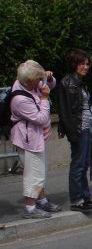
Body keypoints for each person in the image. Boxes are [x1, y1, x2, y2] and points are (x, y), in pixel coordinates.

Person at [9, 60, 62, 219]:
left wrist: (49, 79)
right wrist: (45, 99)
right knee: (33, 174)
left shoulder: (26, 83)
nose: (40, 82)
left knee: (40, 172)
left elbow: (48, 86)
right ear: (29, 81)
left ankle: (42, 199)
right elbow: (40, 118)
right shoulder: (19, 99)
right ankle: (30, 208)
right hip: (28, 140)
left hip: (36, 137)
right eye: (37, 80)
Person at [58, 49, 92, 213]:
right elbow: (65, 109)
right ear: (74, 64)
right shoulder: (67, 82)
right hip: (78, 128)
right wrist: (69, 131)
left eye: (87, 64)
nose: (86, 67)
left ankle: (85, 195)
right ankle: (77, 199)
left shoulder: (79, 82)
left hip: (85, 127)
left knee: (84, 164)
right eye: (82, 63)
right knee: (78, 164)